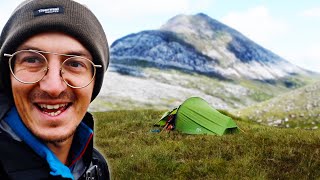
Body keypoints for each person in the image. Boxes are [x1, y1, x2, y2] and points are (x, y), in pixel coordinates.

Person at [0, 0, 110, 179]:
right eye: (32, 60)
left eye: (75, 63)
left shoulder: (95, 165)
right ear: (8, 76)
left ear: (94, 80)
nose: (53, 87)